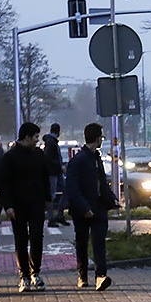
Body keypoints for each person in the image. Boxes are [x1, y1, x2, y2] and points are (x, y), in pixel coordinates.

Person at [1, 122, 52, 293]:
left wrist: (47, 198)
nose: (38, 140)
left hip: (36, 203)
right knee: (21, 240)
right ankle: (23, 275)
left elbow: (45, 176)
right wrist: (7, 206)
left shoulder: (38, 155)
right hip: (18, 205)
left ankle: (35, 272)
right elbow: (4, 183)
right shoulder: (10, 157)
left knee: (37, 237)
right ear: (27, 137)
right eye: (36, 137)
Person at [66, 123, 116, 291]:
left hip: (99, 206)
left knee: (99, 241)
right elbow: (72, 187)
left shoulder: (96, 158)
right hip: (83, 209)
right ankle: (82, 274)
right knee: (82, 242)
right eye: (101, 137)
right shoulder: (79, 160)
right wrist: (84, 208)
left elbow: (101, 182)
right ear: (96, 138)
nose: (102, 139)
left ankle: (100, 276)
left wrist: (111, 199)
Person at [43, 123, 69, 226]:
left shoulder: (50, 141)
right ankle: (52, 218)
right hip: (53, 172)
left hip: (55, 172)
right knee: (52, 195)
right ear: (58, 132)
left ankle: (57, 215)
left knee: (62, 192)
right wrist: (60, 166)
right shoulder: (52, 142)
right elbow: (50, 158)